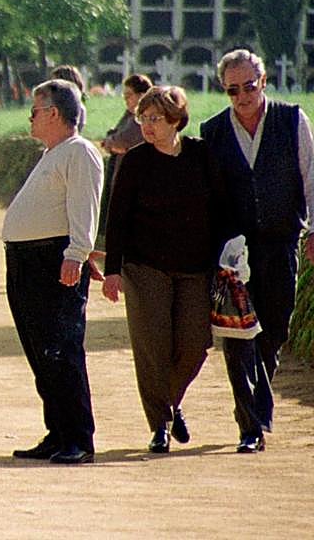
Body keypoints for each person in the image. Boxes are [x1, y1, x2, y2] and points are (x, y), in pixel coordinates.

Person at [200, 48, 314, 453]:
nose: (243, 96)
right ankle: (250, 424)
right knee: (238, 337)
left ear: (263, 82)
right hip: (234, 250)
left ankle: (252, 407)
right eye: (233, 90)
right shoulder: (212, 131)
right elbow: (209, 197)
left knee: (275, 330)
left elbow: (311, 176)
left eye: (249, 86)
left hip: (282, 241)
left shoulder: (291, 119)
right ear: (224, 91)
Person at [100, 86, 226, 454]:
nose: (147, 125)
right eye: (143, 118)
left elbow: (220, 209)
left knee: (194, 345)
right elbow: (117, 217)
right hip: (145, 266)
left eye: (155, 118)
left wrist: (226, 257)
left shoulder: (201, 155)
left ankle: (171, 402)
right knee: (152, 347)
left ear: (176, 120)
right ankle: (160, 425)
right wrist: (113, 270)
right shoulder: (135, 160)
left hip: (195, 266)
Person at [2, 79, 103, 465]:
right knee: (40, 351)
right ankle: (58, 431)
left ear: (54, 113)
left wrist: (76, 254)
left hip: (52, 260)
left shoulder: (79, 152)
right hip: (28, 261)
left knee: (61, 350)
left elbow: (83, 208)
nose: (30, 119)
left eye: (35, 111)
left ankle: (77, 436)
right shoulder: (53, 153)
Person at [95, 73, 152, 246]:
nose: (126, 100)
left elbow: (121, 141)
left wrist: (111, 141)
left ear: (141, 95)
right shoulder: (130, 116)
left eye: (129, 95)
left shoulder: (140, 119)